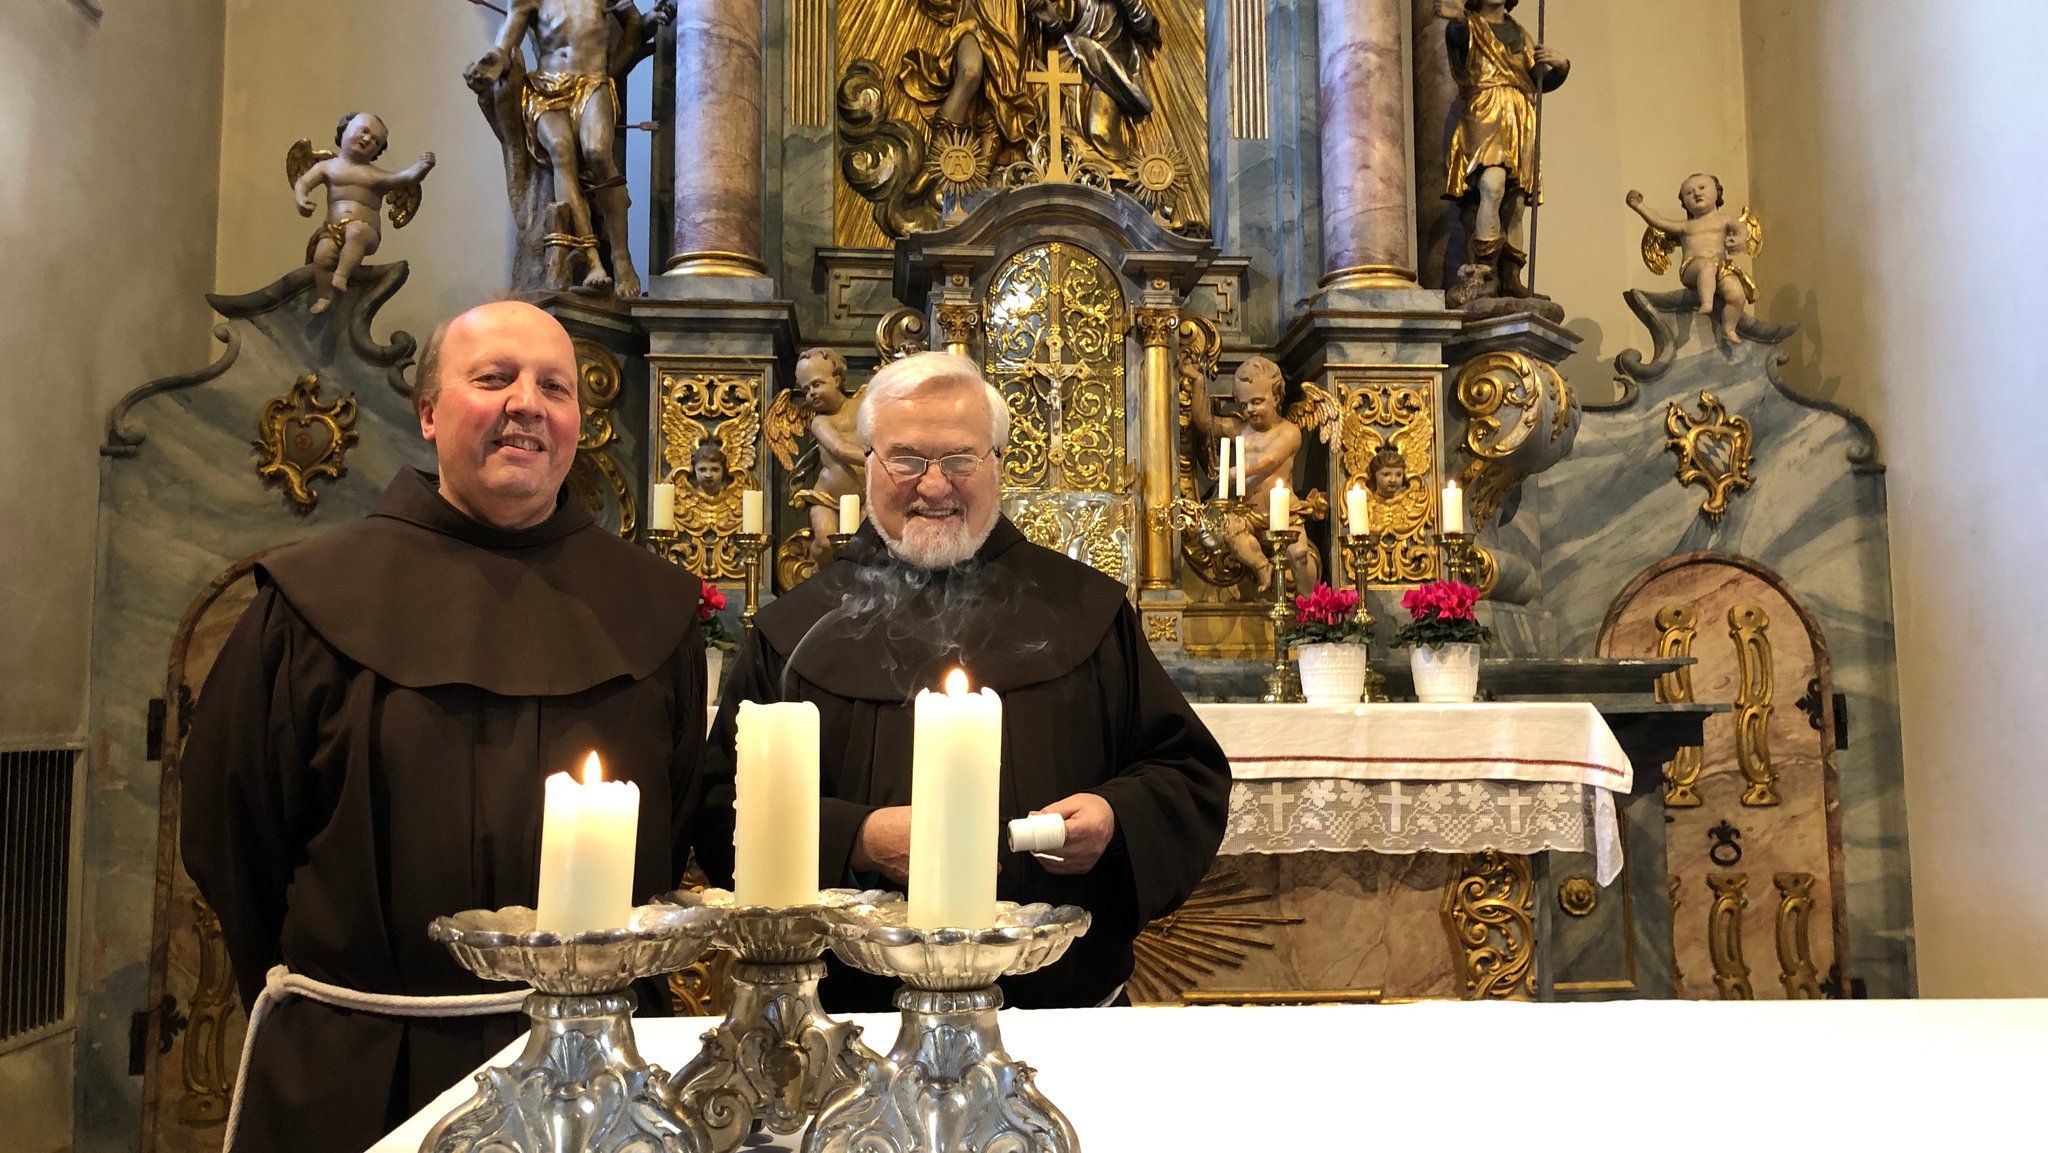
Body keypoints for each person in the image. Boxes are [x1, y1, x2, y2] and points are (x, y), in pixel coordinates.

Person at [182, 301, 708, 1153]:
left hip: (606, 1079)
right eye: (493, 378)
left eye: (553, 386)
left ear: (578, 421)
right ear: (428, 411)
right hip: (355, 1072)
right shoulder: (311, 599)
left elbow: (676, 813)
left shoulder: (654, 610)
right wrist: (338, 1010)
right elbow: (229, 833)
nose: (526, 404)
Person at [697, 351, 1230, 1010]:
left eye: (959, 460)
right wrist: (859, 837)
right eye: (906, 459)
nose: (934, 484)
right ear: (866, 462)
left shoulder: (1083, 610)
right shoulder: (798, 631)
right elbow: (722, 805)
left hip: (1058, 1020)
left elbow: (1185, 772)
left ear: (998, 463)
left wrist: (1115, 817)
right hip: (851, 1029)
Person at [468, 0, 650, 295]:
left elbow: (635, 24)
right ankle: (592, 259)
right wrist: (490, 65)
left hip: (592, 82)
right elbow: (506, 43)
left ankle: (621, 259)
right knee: (560, 149)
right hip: (545, 87)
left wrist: (647, 26)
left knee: (598, 152)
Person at [1436, 0, 1568, 297]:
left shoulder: (1520, 33)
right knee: (1491, 185)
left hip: (1520, 117)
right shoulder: (1469, 25)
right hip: (1484, 111)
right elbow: (1459, 41)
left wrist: (1561, 67)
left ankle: (1511, 277)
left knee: (1517, 203)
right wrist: (1457, 21)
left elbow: (1538, 81)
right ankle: (1484, 273)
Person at [1186, 355, 1319, 594]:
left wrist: (1235, 473)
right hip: (1246, 511)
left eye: (1257, 402)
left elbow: (1269, 460)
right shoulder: (1240, 429)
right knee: (1225, 528)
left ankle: (1310, 606)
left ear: (1277, 398)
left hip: (1285, 513)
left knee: (1299, 555)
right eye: (1244, 404)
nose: (1250, 410)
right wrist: (1197, 381)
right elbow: (1204, 422)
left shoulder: (1289, 432)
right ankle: (1262, 567)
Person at [291, 112, 434, 315]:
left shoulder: (375, 176)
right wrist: (301, 198)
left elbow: (407, 177)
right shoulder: (327, 167)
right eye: (364, 131)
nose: (368, 139)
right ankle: (325, 295)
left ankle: (342, 274)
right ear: (344, 130)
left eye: (376, 141)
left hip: (366, 232)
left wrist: (422, 166)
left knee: (356, 232)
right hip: (332, 230)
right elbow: (303, 182)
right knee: (321, 257)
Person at [1626, 174, 1759, 342]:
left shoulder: (1724, 220)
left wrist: (1739, 240)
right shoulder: (1686, 226)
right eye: (1689, 192)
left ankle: (1729, 328)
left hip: (1722, 268)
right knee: (1707, 266)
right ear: (1684, 202)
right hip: (1692, 268)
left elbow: (1742, 229)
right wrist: (1639, 206)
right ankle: (1706, 303)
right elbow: (1658, 222)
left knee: (1737, 295)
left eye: (1702, 188)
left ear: (1717, 193)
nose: (1696, 193)